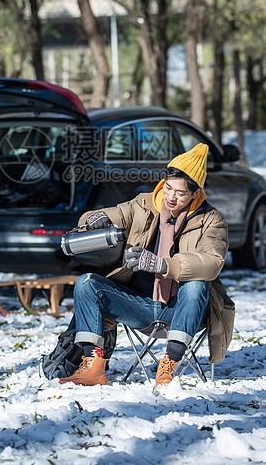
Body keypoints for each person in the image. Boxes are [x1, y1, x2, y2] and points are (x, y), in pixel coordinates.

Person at [58, 143, 235, 387]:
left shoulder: (212, 221)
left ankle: (169, 363)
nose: (171, 197)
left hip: (181, 310)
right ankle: (94, 364)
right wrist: (96, 218)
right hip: (138, 305)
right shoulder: (144, 204)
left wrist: (162, 264)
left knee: (197, 286)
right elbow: (118, 213)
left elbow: (212, 263)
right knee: (87, 284)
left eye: (180, 193)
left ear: (196, 194)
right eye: (168, 188)